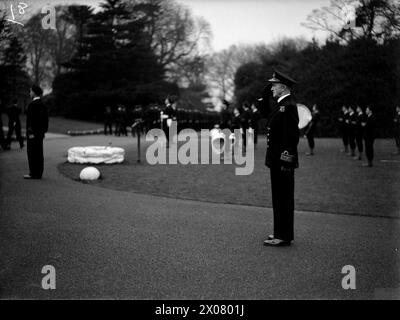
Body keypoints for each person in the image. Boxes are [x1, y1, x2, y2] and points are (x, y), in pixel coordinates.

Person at [263, 69, 299, 247]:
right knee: (278, 197)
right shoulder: (281, 103)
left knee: (283, 197)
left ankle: (283, 235)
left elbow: (291, 137)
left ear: (283, 87)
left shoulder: (289, 105)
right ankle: (280, 232)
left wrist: (286, 160)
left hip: (282, 160)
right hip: (276, 159)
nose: (271, 89)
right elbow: (264, 111)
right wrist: (264, 92)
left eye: (274, 85)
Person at [24, 85, 48, 179]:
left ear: (34, 92)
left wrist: (30, 133)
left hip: (32, 134)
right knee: (39, 153)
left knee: (32, 153)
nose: (29, 93)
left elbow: (30, 121)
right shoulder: (43, 105)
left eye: (30, 91)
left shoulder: (32, 105)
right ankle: (39, 173)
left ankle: (33, 173)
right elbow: (46, 120)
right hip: (40, 133)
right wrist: (43, 131)